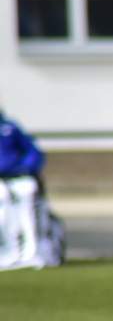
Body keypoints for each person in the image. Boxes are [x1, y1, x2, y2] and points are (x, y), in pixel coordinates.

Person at [0, 108, 45, 269]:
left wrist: (24, 168)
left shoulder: (10, 128)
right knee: (4, 217)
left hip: (18, 178)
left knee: (27, 217)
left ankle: (31, 254)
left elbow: (33, 152)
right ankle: (8, 252)